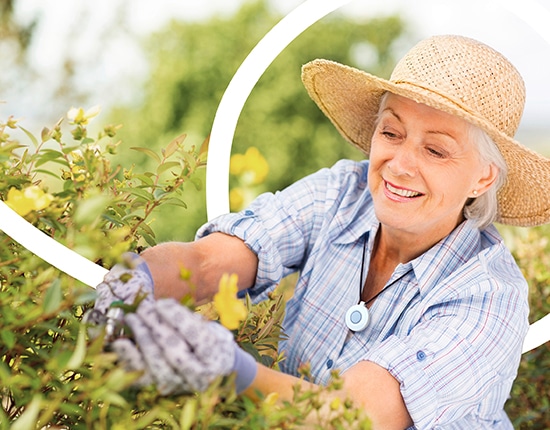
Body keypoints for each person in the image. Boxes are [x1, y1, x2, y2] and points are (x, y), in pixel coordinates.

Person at [90, 35, 550, 429]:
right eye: (391, 133)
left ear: (484, 178)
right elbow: (209, 261)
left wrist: (231, 370)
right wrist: (136, 279)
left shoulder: (489, 296)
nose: (401, 165)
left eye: (435, 150)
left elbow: (353, 418)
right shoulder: (340, 194)